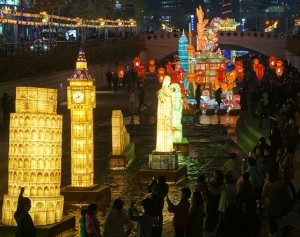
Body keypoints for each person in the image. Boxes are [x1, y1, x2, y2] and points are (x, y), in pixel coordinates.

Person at [156, 75, 174, 152]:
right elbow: (168, 102)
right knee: (167, 130)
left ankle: (161, 148)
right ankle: (167, 148)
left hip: (161, 114)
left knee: (162, 131)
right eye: (169, 80)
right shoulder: (167, 91)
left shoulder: (161, 91)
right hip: (166, 113)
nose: (170, 82)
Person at [262, 172, 281, 237]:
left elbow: (264, 194)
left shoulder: (266, 184)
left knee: (270, 219)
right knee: (274, 218)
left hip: (269, 203)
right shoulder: (278, 183)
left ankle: (272, 233)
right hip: (276, 202)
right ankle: (276, 231)